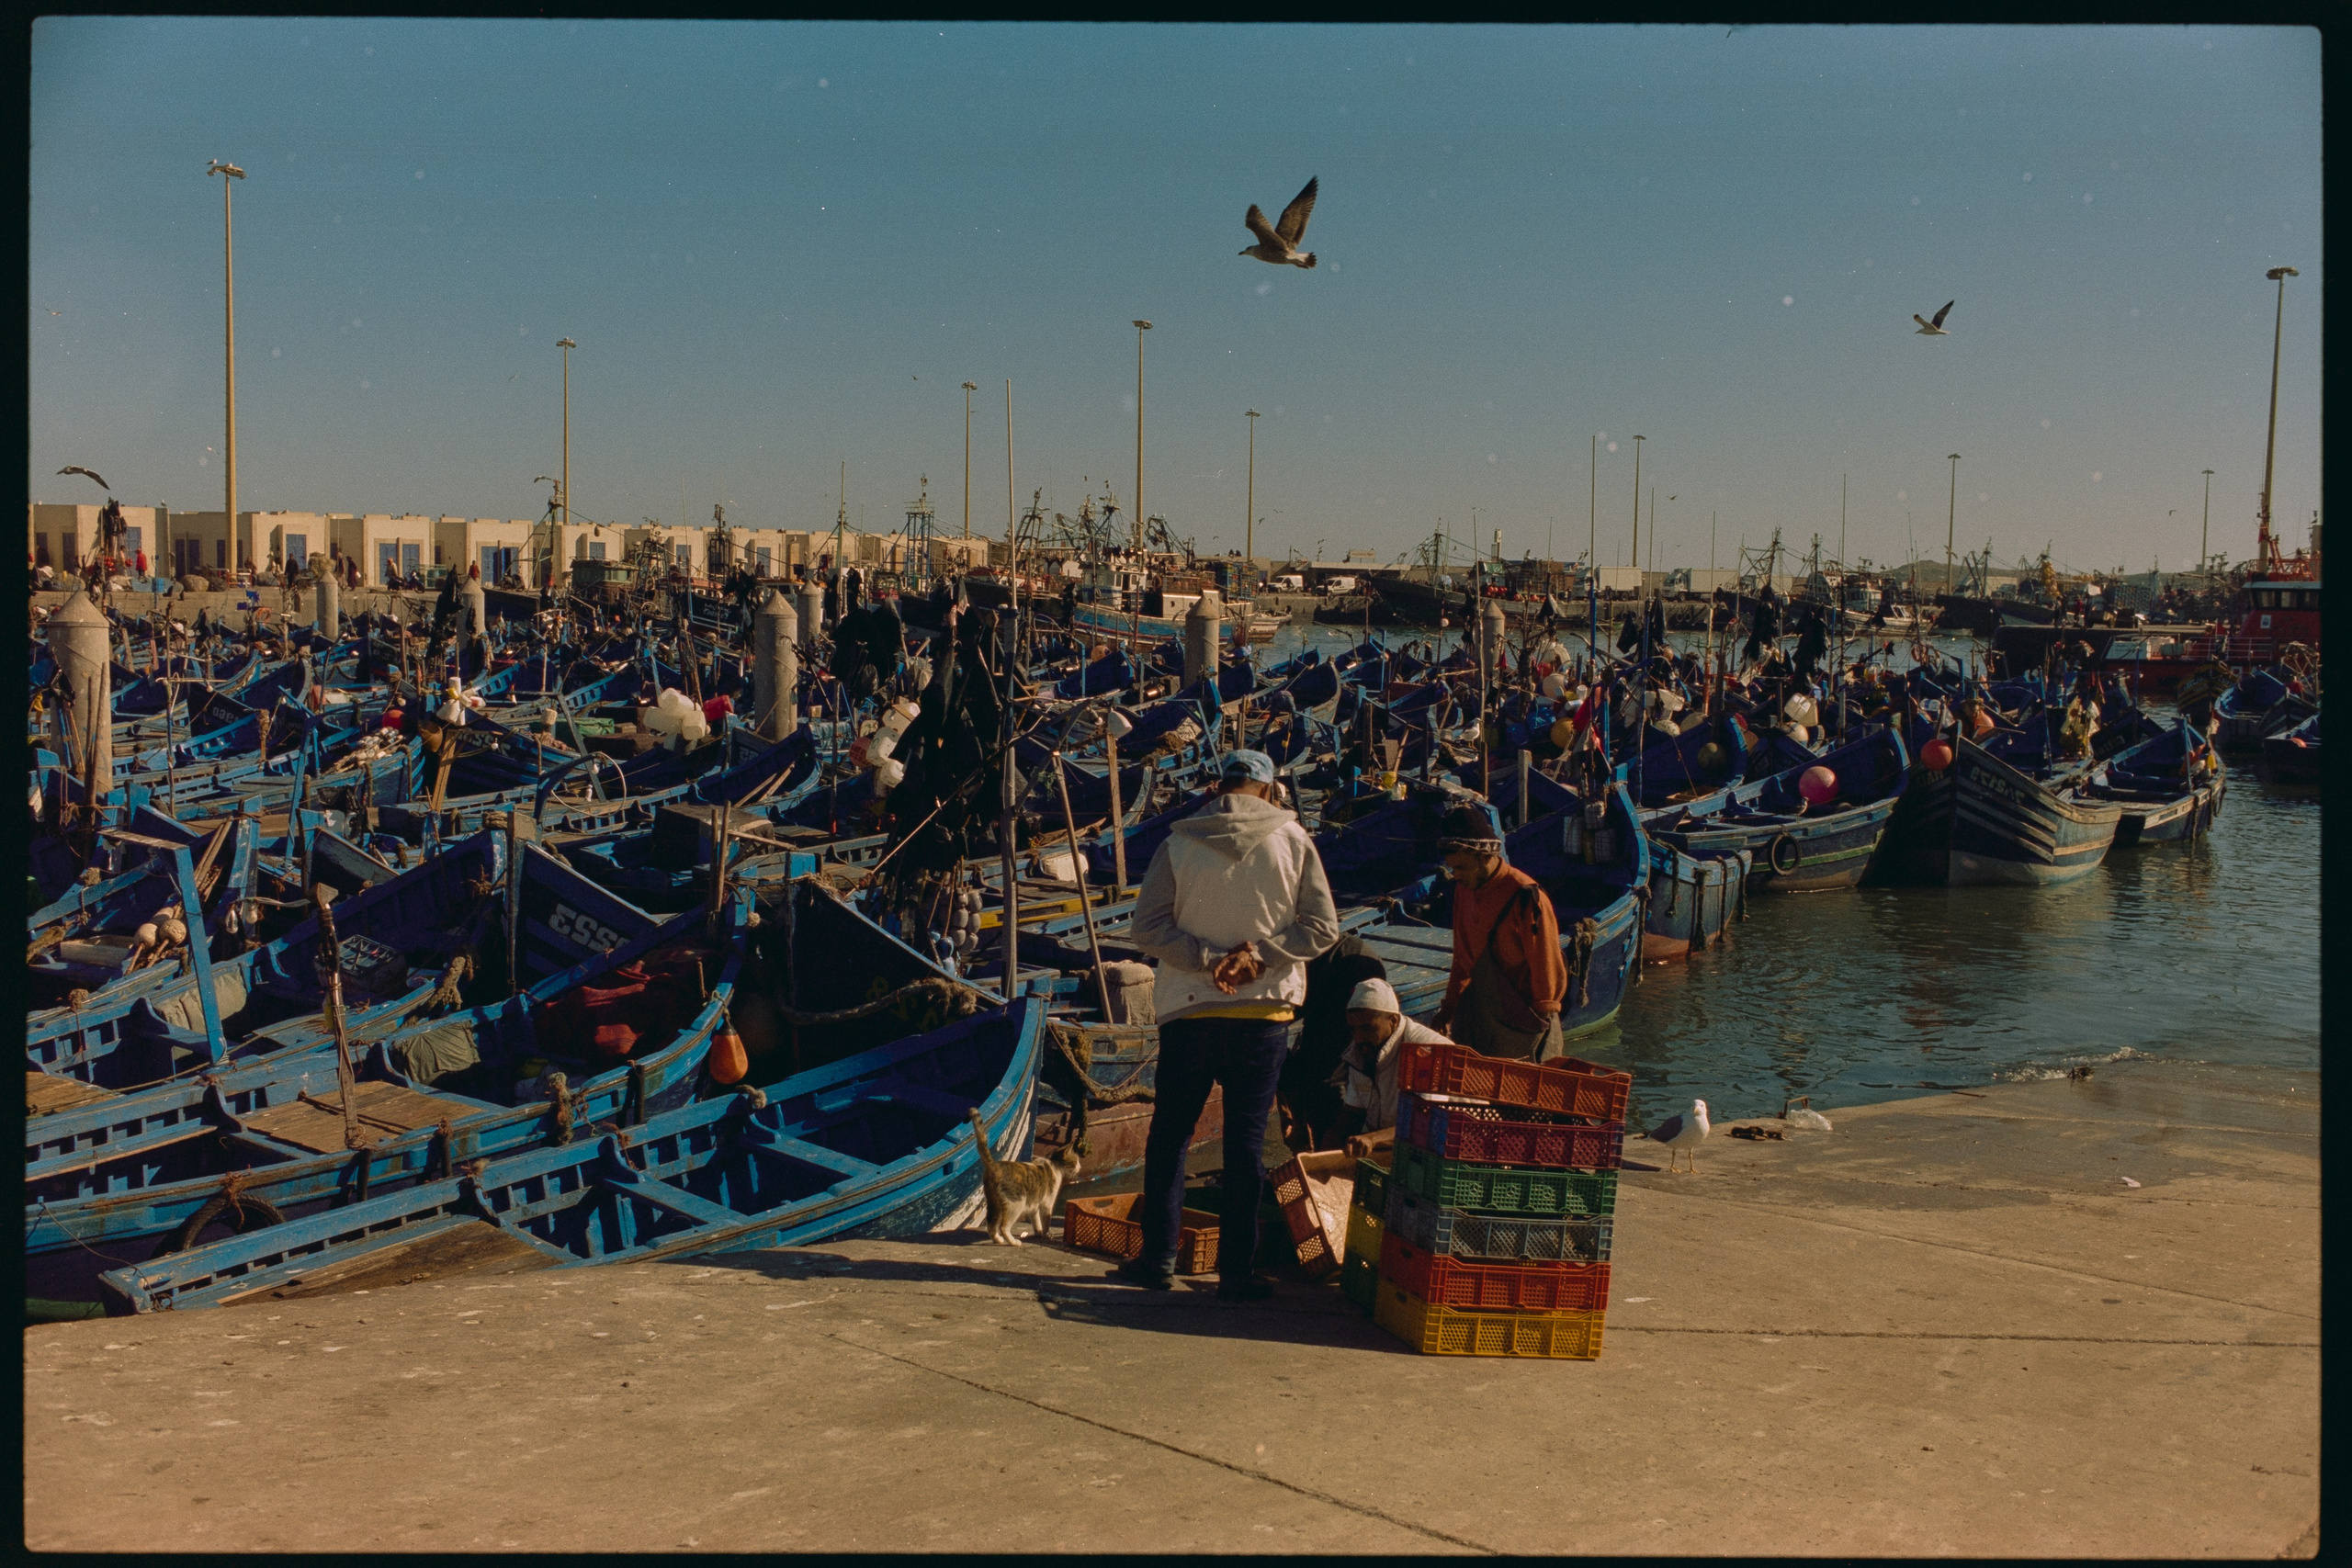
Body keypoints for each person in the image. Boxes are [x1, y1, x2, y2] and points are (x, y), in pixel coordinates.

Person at [1120, 749, 1340, 1301]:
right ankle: (1236, 1273)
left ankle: (1158, 1262)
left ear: (1222, 787)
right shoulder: (1294, 841)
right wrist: (1257, 959)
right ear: (1268, 790)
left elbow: (1147, 929)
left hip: (1190, 1010)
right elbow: (1320, 928)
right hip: (1263, 1013)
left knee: (1170, 1137)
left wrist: (1206, 958)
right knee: (1245, 1143)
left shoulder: (1179, 842)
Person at [1431, 804, 1568, 1060]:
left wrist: (1540, 1024)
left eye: (1461, 867)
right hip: (1481, 1007)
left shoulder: (1525, 896)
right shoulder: (1463, 888)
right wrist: (1448, 1008)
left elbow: (1545, 964)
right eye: (1452, 868)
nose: (1455, 875)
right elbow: (1462, 957)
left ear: (1485, 856)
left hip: (1523, 1017)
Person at [1336, 976, 1453, 1136]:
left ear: (1393, 1021)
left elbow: (1425, 1124)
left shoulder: (1428, 1049)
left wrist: (1372, 1140)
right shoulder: (1360, 1052)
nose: (1358, 1038)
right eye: (1353, 1030)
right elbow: (1351, 1115)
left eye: (1367, 1028)